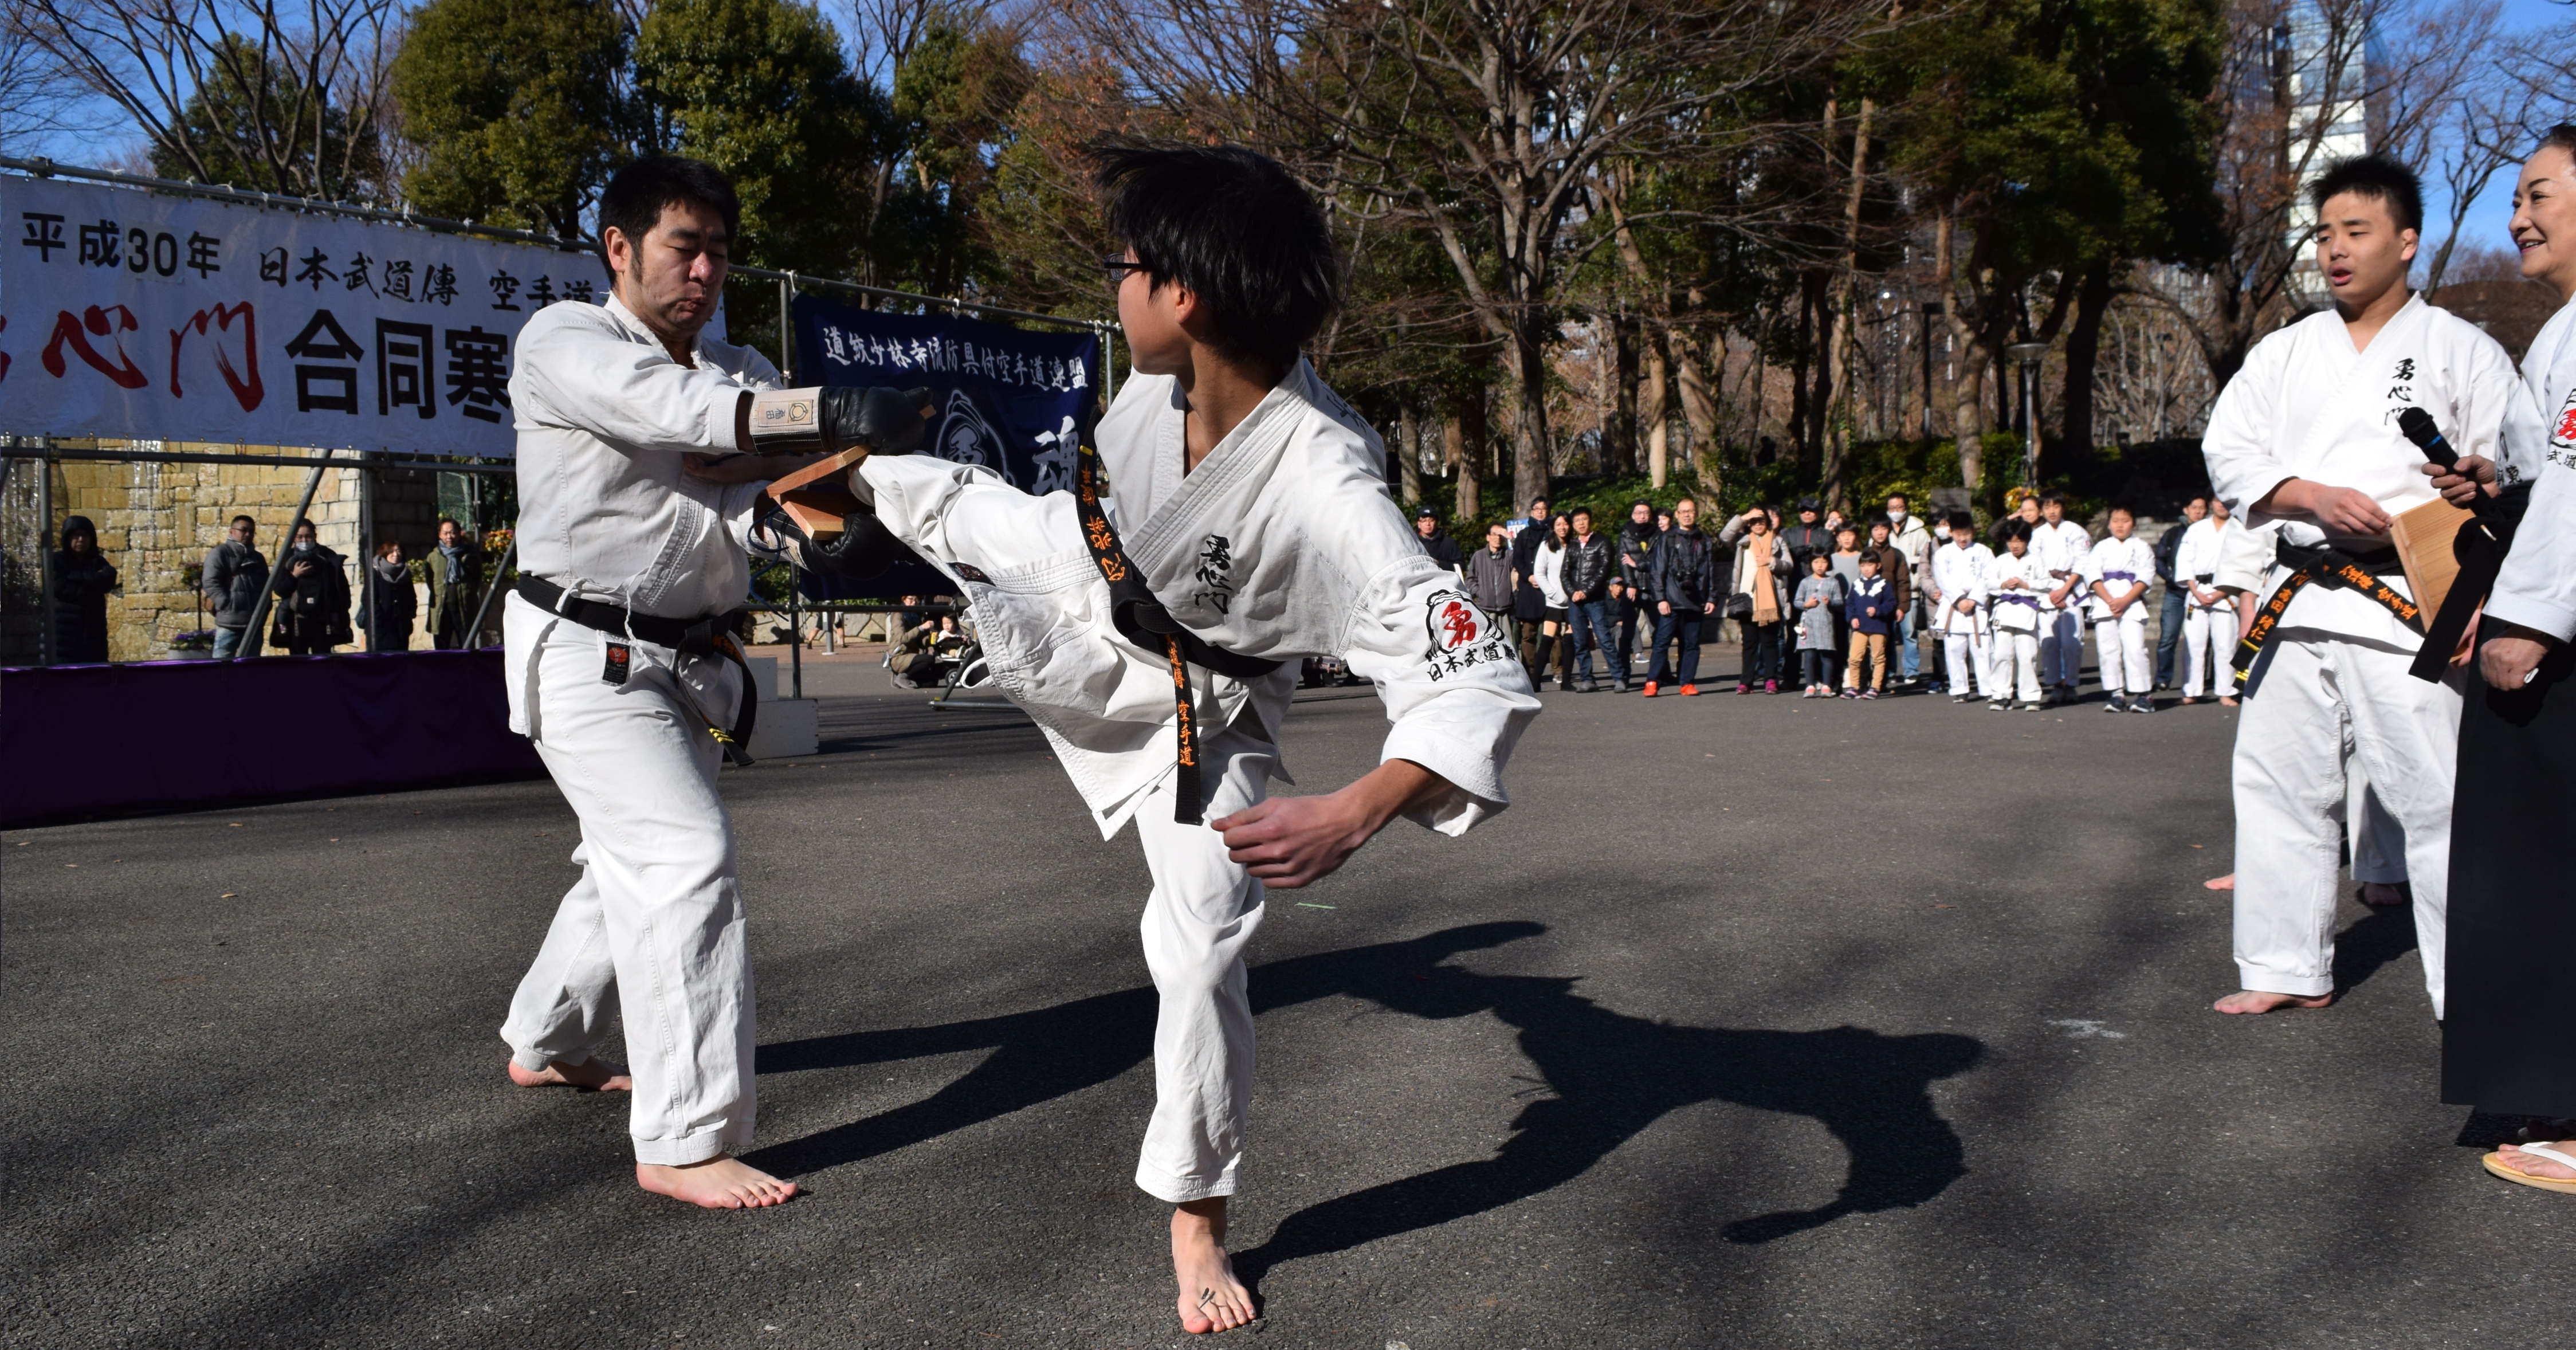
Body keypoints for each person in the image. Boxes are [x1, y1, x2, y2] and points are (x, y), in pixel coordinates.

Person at [831, 143, 1541, 1329]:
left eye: (1125, 266)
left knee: (1206, 940)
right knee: (935, 493)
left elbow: (1474, 666)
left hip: (1202, 705)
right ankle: (821, 485)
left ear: (1184, 296)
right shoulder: (1155, 388)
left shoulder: (1327, 479)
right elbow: (1071, 521)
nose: (1111, 288)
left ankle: (1196, 1210)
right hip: (1092, 584)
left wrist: (1353, 807)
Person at [493, 155, 914, 1210]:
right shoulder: (565, 341)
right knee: (681, 856)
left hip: (691, 655)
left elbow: (744, 490)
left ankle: (546, 1039)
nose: (707, 270)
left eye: (721, 251)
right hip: (584, 648)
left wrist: (810, 532)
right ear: (621, 249)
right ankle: (682, 1141)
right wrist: (818, 410)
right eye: (686, 247)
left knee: (626, 862)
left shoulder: (740, 365)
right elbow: (674, 418)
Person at [2200, 152, 2518, 1019]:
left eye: (2357, 231)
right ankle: (2281, 964)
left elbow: (2512, 470)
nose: (2335, 249)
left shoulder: (2465, 350)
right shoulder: (2284, 351)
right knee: (2277, 785)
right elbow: (2229, 449)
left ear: (2407, 241)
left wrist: (2485, 536)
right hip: (2298, 593)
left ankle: (2475, 997)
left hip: (2416, 598)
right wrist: (2303, 494)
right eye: (2325, 232)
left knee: (2438, 800)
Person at [2429, 124, 2576, 1192]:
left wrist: (2528, 616)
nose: (2516, 216)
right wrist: (2493, 488)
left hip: (2560, 629)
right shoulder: (2562, 330)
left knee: (2547, 867)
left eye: (2538, 195)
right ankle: (2550, 1085)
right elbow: (2548, 476)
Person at [1643, 497, 1718, 696]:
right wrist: (1660, 599)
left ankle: (1687, 682)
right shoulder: (1667, 538)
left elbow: (1710, 570)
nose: (1687, 515)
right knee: (1662, 642)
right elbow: (1658, 570)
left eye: (1691, 511)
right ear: (1677, 515)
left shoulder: (1704, 540)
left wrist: (1711, 597)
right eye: (1683, 511)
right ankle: (1652, 681)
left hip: (1696, 600)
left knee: (1692, 644)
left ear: (1696, 513)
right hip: (1671, 599)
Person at [2085, 505, 2156, 713]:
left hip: (2131, 601)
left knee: (2135, 648)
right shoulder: (2101, 548)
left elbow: (2145, 576)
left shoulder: (2141, 547)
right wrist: (2109, 600)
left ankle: (2144, 694)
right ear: (2109, 524)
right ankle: (2116, 693)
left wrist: (2124, 601)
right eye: (2116, 520)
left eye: (2125, 520)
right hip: (2104, 601)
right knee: (2108, 650)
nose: (2120, 525)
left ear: (2133, 523)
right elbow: (2093, 575)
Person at [2172, 496, 2235, 704]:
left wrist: (2221, 592)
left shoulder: (2239, 529)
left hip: (2227, 591)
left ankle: (2226, 691)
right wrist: (2194, 590)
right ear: (2212, 504)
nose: (2222, 505)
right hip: (2197, 590)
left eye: (2227, 501)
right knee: (2194, 644)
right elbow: (2184, 560)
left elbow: (2243, 563)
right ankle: (2191, 690)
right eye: (2218, 501)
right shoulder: (2197, 529)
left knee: (2225, 644)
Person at [2032, 491, 2092, 705]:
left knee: (2071, 642)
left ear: (2062, 508)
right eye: (2047, 507)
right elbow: (2035, 565)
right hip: (2047, 589)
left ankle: (2072, 684)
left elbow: (2083, 562)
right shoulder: (2038, 534)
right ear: (2042, 510)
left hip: (2072, 588)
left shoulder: (2076, 531)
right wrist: (2050, 591)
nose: (2051, 511)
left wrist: (2066, 588)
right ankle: (2055, 684)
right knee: (2049, 642)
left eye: (2055, 506)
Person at [1723, 505, 1789, 694]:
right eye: (1754, 521)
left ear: (1768, 522)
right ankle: (1746, 681)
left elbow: (1789, 565)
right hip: (1747, 598)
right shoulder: (1743, 542)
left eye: (1761, 520)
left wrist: (1772, 562)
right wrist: (1743, 517)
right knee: (1749, 643)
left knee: (1769, 642)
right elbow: (1724, 536)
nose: (1758, 524)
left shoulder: (1777, 541)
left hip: (1770, 599)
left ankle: (1770, 679)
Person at [1927, 512, 1992, 703]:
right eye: (1958, 534)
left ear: (1973, 532)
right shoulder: (1943, 553)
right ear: (1951, 532)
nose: (1963, 539)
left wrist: (1973, 599)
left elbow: (1988, 577)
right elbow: (1942, 579)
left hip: (1976, 605)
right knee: (1955, 649)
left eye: (1966, 534)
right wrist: (1959, 599)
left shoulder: (1984, 551)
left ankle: (1988, 688)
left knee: (1982, 648)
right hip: (1953, 606)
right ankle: (1959, 688)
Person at [1985, 520, 2048, 711]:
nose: (2015, 545)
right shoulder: (2001, 561)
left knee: (2027, 655)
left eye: (2019, 540)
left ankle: (2030, 696)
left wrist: (2026, 585)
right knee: (2002, 654)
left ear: (2027, 541)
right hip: (2005, 610)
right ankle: (2001, 694)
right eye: (2011, 541)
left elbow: (2047, 583)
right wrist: (2003, 585)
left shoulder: (2036, 560)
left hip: (2027, 611)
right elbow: (1988, 581)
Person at [266, 519, 352, 655]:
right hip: (296, 621)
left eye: (308, 536)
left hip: (322, 620)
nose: (304, 541)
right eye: (300, 537)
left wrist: (340, 612)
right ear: (294, 538)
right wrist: (294, 575)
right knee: (298, 662)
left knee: (322, 659)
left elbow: (340, 588)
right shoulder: (287, 557)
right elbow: (280, 590)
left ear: (315, 536)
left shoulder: (328, 557)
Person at [1562, 506, 1621, 692]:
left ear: (1590, 520)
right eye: (1577, 520)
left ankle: (1619, 677)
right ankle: (1588, 679)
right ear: (1573, 524)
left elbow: (1603, 571)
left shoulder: (1602, 542)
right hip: (1575, 601)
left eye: (1584, 519)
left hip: (1594, 599)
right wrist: (1573, 593)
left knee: (1604, 638)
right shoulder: (1571, 545)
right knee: (1580, 641)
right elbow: (1564, 573)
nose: (1581, 523)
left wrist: (1586, 591)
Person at [2153, 495, 2209, 689]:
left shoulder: (2210, 532)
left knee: (2205, 638)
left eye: (2202, 508)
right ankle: (2163, 678)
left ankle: (2205, 678)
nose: (2198, 511)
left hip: (2203, 589)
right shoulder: (2173, 533)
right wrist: (2171, 578)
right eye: (2194, 507)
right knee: (2168, 637)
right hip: (2176, 592)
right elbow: (2160, 559)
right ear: (2186, 509)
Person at [49, 515, 117, 663]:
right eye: (76, 536)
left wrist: (75, 577)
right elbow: (60, 588)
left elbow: (109, 579)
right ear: (68, 538)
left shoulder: (97, 562)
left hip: (93, 636)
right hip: (64, 637)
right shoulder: (57, 561)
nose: (81, 540)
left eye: (85, 536)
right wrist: (92, 582)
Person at [1883, 493, 1935, 685]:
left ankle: (1911, 671)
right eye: (1892, 508)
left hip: (1911, 590)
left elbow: (1927, 559)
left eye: (1899, 507)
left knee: (1909, 633)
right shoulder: (1882, 529)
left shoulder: (1919, 532)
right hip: (1885, 592)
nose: (1895, 512)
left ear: (1906, 508)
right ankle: (1888, 671)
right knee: (1886, 634)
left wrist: (1907, 561)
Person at [202, 515, 268, 660]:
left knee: (251, 667)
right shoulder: (220, 553)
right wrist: (226, 603)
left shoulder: (258, 558)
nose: (248, 534)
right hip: (229, 623)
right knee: (223, 666)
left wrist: (264, 611)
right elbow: (210, 581)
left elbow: (266, 587)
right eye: (244, 530)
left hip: (253, 624)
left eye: (252, 531)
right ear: (232, 531)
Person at [1509, 494, 1553, 681]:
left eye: (1544, 509)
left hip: (1551, 588)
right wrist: (1530, 576)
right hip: (1529, 588)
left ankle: (1558, 669)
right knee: (1528, 634)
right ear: (1532, 512)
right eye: (1537, 509)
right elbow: (1517, 559)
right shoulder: (1524, 535)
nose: (1541, 512)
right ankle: (1531, 670)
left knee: (1554, 634)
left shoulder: (1553, 532)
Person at [426, 517, 486, 650]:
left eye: (453, 532)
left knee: (466, 647)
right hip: (442, 610)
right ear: (440, 535)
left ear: (459, 533)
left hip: (464, 608)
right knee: (441, 649)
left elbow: (477, 579)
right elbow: (430, 581)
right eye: (446, 533)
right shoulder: (433, 557)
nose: (449, 537)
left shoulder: (469, 555)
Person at [1528, 513, 1573, 689]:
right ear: (1553, 527)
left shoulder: (1575, 546)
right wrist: (1552, 593)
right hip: (1554, 601)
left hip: (1572, 601)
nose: (1562, 527)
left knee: (1570, 641)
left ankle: (1567, 681)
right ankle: (1535, 681)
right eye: (1558, 524)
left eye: (1565, 524)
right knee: (1547, 640)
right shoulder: (1547, 546)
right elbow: (1539, 573)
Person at [1843, 551, 1895, 697]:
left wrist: (1877, 610)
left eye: (1870, 565)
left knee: (1878, 658)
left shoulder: (1885, 584)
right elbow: (1850, 604)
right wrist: (1852, 618)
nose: (1866, 569)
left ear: (1878, 566)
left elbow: (1891, 604)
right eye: (1863, 565)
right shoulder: (1857, 584)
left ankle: (1875, 687)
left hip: (1878, 627)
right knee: (1854, 658)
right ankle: (1854, 686)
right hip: (1859, 628)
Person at [1793, 552, 1843, 697]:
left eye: (1823, 562)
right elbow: (1797, 601)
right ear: (1811, 564)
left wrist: (1831, 603)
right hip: (1808, 624)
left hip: (1826, 624)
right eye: (1816, 562)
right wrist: (1806, 604)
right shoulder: (1805, 582)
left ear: (1828, 564)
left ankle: (1827, 685)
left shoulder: (1833, 582)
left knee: (1827, 655)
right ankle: (1810, 685)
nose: (1820, 566)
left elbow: (1840, 602)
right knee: (1809, 655)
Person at [356, 540, 418, 652]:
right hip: (380, 629)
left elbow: (411, 598)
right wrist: (379, 617)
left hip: (401, 628)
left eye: (398, 551)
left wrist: (410, 614)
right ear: (385, 554)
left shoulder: (405, 574)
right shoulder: (375, 573)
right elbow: (367, 599)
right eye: (392, 551)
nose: (396, 555)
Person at [1466, 521, 1514, 624]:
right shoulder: (1479, 556)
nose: (1498, 538)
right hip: (1484, 608)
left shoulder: (1509, 555)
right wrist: (1481, 593)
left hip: (1506, 609)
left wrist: (1511, 538)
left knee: (1507, 639)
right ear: (1488, 537)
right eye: (1495, 534)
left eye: (1501, 535)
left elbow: (1521, 555)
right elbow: (1470, 580)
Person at [1413, 507, 1465, 577]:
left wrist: (1439, 564)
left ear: (1437, 522)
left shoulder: (1449, 543)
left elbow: (1460, 566)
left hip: (1445, 583)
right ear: (1419, 524)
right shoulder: (1413, 543)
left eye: (1431, 520)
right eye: (1424, 521)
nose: (1428, 524)